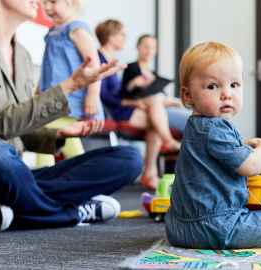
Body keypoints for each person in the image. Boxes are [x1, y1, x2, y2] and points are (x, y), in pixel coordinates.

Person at [0, 0, 142, 232]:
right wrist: (72, 85)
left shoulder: (22, 55)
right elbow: (2, 122)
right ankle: (69, 213)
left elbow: (18, 127)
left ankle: (5, 211)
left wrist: (55, 134)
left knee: (129, 159)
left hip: (15, 175)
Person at [165, 42, 261, 249]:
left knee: (260, 212)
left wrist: (242, 143)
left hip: (178, 226)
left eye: (234, 85)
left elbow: (211, 151)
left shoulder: (195, 125)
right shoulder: (215, 128)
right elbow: (250, 166)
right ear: (187, 95)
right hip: (215, 225)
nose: (227, 94)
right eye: (213, 86)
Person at [96, 20, 189, 189]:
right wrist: (133, 100)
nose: (125, 39)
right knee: (155, 108)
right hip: (117, 110)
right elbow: (105, 95)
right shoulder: (101, 59)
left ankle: (150, 173)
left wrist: (135, 101)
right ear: (111, 36)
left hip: (125, 106)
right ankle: (164, 146)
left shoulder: (111, 59)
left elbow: (117, 93)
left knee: (155, 119)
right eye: (122, 35)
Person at [40, 0, 104, 120]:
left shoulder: (77, 29)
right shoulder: (52, 32)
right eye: (44, 2)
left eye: (53, 2)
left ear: (69, 2)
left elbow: (94, 66)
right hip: (54, 100)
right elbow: (46, 65)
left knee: (72, 135)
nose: (47, 7)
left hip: (76, 103)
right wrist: (39, 91)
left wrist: (92, 96)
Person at [120, 34, 181, 154]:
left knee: (172, 102)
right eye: (146, 47)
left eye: (153, 48)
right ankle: (168, 140)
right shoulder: (131, 68)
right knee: (158, 101)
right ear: (138, 48)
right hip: (147, 105)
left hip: (159, 106)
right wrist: (133, 83)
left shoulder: (153, 72)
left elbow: (161, 92)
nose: (149, 51)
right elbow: (124, 93)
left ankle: (151, 170)